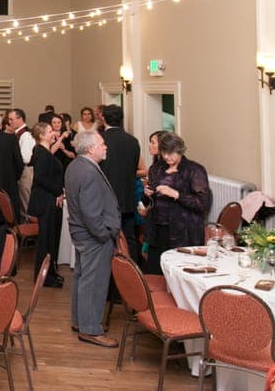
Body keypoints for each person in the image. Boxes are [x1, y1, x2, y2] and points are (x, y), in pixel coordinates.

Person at [65, 130, 120, 348]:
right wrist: (104, 234)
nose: (105, 146)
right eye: (102, 144)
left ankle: (80, 320)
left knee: (82, 277)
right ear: (90, 149)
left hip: (81, 233)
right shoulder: (88, 171)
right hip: (93, 236)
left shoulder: (76, 165)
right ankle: (90, 329)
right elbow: (90, 212)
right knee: (94, 281)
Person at [138, 132, 211, 275]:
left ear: (180, 150)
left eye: (170, 153)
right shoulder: (156, 169)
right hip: (157, 229)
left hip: (183, 232)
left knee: (179, 273)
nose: (166, 157)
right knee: (156, 271)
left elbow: (203, 203)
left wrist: (176, 194)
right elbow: (149, 201)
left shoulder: (194, 170)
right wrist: (146, 194)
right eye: (164, 152)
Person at [99, 104, 142, 263]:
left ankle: (111, 276)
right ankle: (132, 274)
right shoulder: (132, 141)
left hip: (106, 199)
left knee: (107, 240)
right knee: (129, 239)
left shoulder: (100, 140)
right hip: (127, 196)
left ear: (103, 118)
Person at [28, 122, 65, 287]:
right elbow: (41, 178)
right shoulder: (42, 153)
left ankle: (50, 273)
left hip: (49, 200)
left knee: (50, 240)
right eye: (50, 131)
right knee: (46, 241)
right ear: (42, 135)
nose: (53, 133)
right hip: (46, 202)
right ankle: (44, 277)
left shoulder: (44, 151)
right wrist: (58, 192)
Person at [7, 108, 34, 215]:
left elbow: (26, 158)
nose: (9, 122)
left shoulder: (26, 135)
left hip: (25, 172)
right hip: (21, 170)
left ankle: (29, 227)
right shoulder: (18, 134)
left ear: (20, 119)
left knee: (26, 201)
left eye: (11, 119)